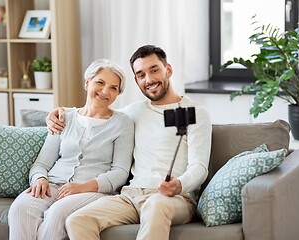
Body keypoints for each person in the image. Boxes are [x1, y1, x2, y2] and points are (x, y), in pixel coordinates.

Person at [46, 45, 212, 240]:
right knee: (78, 219)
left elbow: (199, 166)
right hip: (130, 196)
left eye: (154, 70)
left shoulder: (196, 112)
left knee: (155, 205)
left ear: (168, 70)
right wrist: (60, 112)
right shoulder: (133, 112)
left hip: (173, 199)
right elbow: (95, 110)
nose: (149, 80)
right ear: (136, 80)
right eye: (141, 75)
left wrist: (180, 185)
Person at [8, 59, 134, 240]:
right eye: (100, 82)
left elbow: (120, 172)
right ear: (87, 83)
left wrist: (83, 186)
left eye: (113, 88)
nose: (105, 91)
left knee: (57, 213)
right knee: (20, 208)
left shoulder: (123, 123)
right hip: (51, 185)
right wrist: (40, 178)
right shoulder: (63, 117)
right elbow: (42, 163)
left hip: (92, 190)